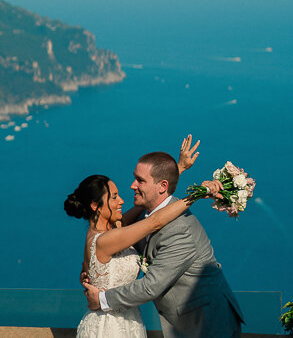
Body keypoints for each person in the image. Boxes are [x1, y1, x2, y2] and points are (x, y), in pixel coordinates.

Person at [82, 148, 244, 338]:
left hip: (206, 324)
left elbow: (151, 286)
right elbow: (109, 242)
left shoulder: (180, 230)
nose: (133, 185)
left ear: (162, 186)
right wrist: (94, 270)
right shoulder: (143, 215)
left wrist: (101, 299)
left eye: (140, 180)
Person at [65, 137, 213, 338]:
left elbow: (152, 198)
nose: (122, 200)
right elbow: (155, 222)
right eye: (114, 197)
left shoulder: (116, 229)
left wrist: (178, 168)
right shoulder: (107, 240)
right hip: (110, 327)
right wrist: (198, 194)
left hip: (128, 321)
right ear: (95, 206)